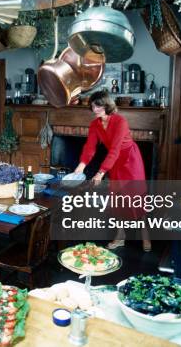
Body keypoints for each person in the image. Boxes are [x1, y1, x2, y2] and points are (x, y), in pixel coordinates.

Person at [74, 91, 151, 252]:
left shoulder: (120, 121)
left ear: (107, 105)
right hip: (114, 163)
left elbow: (115, 149)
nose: (95, 109)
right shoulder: (95, 124)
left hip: (130, 161)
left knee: (136, 199)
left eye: (99, 105)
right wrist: (81, 166)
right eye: (93, 106)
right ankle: (120, 237)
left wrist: (100, 173)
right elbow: (90, 148)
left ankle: (145, 236)